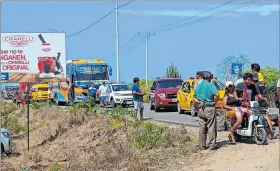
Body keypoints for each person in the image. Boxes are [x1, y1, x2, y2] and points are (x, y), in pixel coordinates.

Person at [234, 73, 274, 140]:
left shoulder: (253, 86)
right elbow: (235, 93)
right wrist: (237, 98)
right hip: (241, 106)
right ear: (244, 80)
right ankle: (233, 132)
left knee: (256, 115)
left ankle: (255, 131)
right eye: (248, 80)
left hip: (250, 105)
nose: (250, 81)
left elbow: (258, 93)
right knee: (241, 120)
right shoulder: (239, 85)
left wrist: (263, 98)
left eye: (251, 80)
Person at [194, 71, 219, 151]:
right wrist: (214, 103)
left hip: (201, 108)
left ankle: (202, 146)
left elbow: (194, 98)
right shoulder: (210, 85)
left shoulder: (199, 86)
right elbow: (217, 95)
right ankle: (212, 145)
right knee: (211, 126)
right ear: (209, 77)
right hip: (209, 108)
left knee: (202, 128)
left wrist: (199, 104)